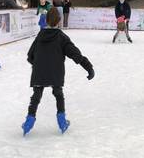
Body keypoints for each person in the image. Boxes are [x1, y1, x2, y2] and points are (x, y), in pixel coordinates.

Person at [22, 8, 94, 136]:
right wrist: (88, 67)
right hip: (56, 71)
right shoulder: (61, 37)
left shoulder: (40, 36)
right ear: (59, 21)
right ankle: (62, 121)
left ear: (46, 21)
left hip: (39, 71)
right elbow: (75, 54)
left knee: (36, 95)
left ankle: (29, 121)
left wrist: (39, 64)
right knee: (58, 93)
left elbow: (30, 56)